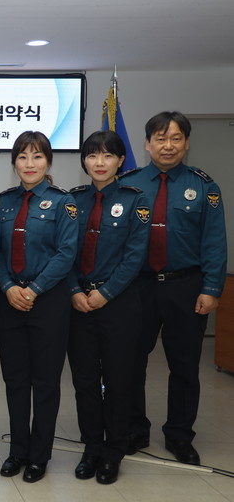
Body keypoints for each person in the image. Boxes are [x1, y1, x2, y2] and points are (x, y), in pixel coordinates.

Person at [120, 111, 227, 465]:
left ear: (187, 143)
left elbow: (214, 242)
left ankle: (180, 434)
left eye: (176, 138)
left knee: (184, 366)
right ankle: (134, 428)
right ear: (147, 143)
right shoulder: (129, 185)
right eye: (161, 139)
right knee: (131, 361)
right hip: (137, 286)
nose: (168, 146)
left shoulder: (205, 187)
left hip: (186, 286)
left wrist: (212, 288)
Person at [0, 131, 77, 483]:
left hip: (48, 301)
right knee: (15, 379)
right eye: (23, 157)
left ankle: (39, 456)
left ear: (48, 161)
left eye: (37, 156)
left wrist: (35, 289)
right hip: (9, 299)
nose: (29, 164)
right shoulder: (2, 202)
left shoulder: (63, 203)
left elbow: (66, 253)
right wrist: (8, 286)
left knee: (45, 381)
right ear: (14, 162)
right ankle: (18, 451)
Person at [66, 131, 150, 485]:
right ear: (84, 160)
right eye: (92, 155)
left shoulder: (135, 200)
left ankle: (113, 452)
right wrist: (74, 291)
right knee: (85, 381)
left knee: (118, 381)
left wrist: (106, 293)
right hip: (78, 304)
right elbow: (64, 252)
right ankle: (91, 447)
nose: (99, 162)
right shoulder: (72, 201)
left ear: (120, 160)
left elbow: (135, 257)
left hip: (119, 304)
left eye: (107, 155)